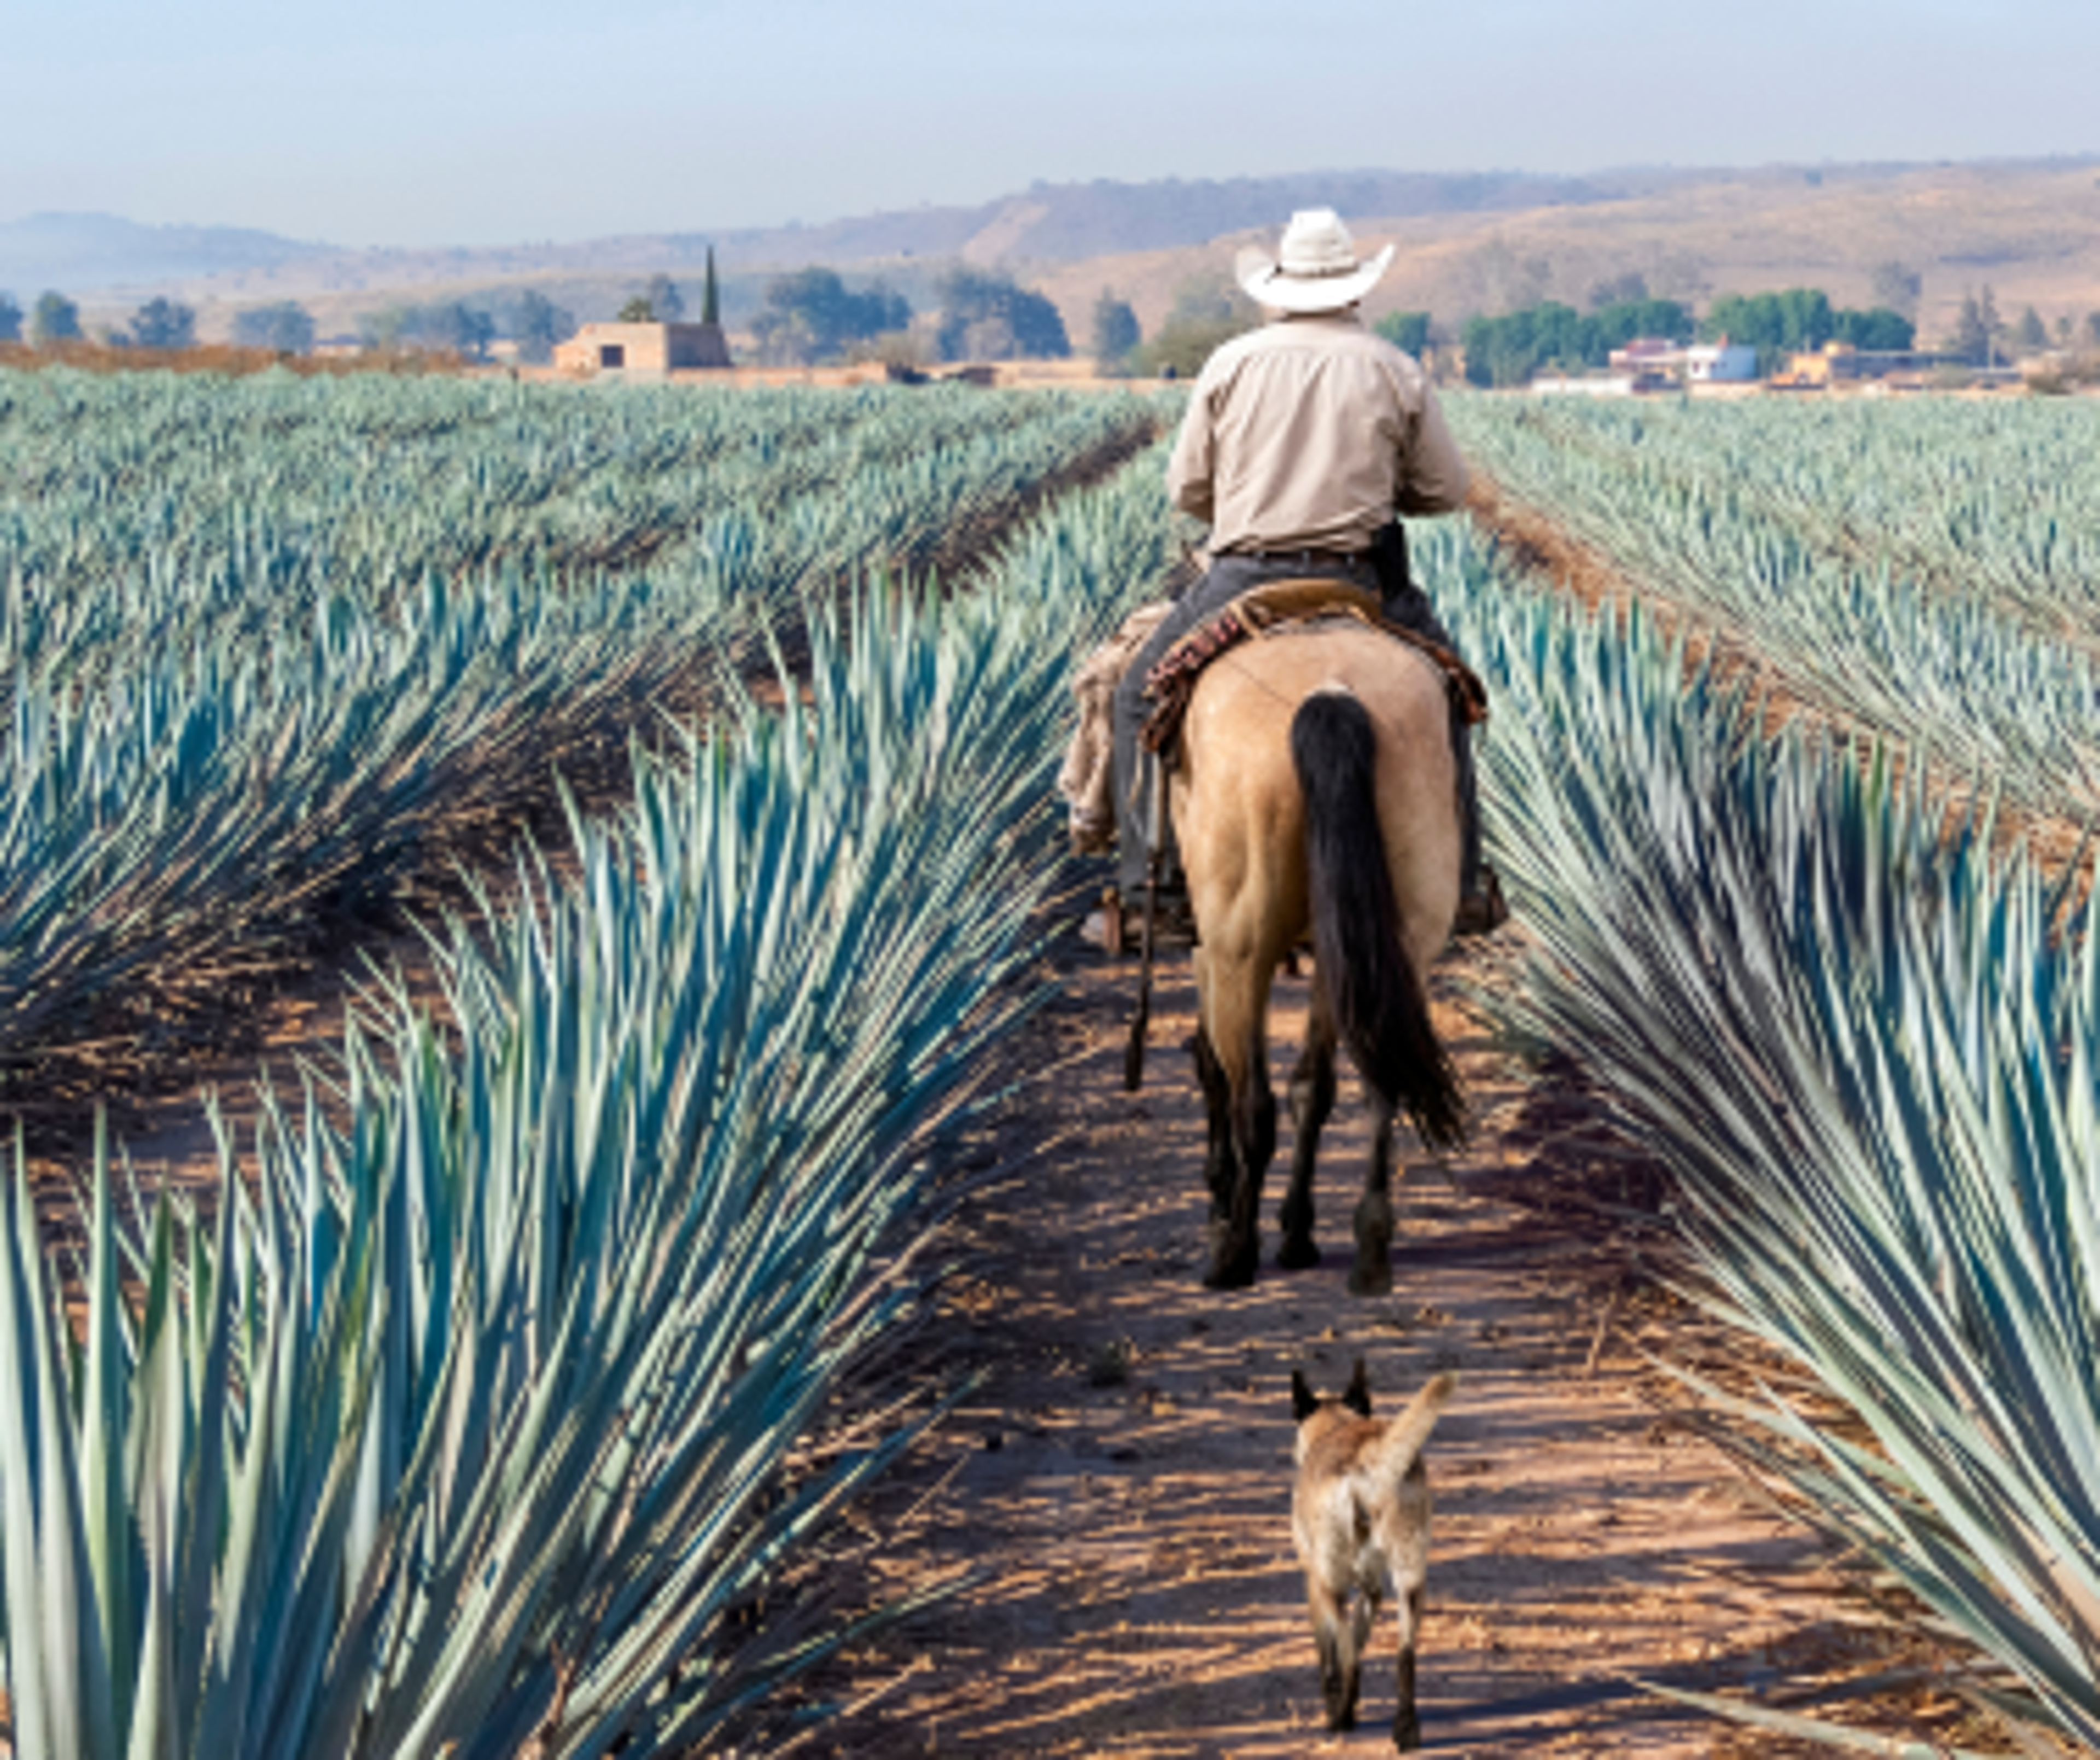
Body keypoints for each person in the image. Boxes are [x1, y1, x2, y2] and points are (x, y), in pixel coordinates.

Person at [1109, 207, 1503, 936]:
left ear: (1278, 288)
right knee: (1450, 695)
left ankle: (1150, 891)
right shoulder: (1394, 367)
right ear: (1354, 289)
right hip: (1361, 581)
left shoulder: (1232, 363)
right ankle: (1466, 885)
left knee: (1137, 695)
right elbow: (1443, 491)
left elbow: (1186, 489)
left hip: (1241, 577)